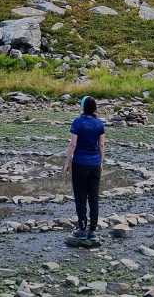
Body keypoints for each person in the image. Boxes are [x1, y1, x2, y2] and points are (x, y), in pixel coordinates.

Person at [63, 95, 105, 240]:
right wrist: (101, 162)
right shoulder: (99, 124)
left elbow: (73, 144)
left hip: (80, 164)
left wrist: (68, 162)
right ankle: (92, 231)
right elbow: (101, 145)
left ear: (82, 107)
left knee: (80, 197)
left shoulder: (77, 122)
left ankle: (82, 228)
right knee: (93, 198)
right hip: (94, 164)